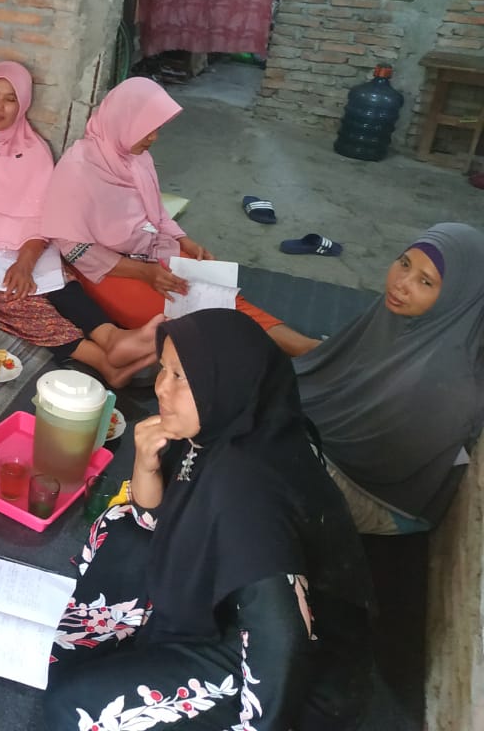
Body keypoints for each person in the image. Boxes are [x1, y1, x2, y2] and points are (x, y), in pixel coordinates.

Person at [43, 310, 372, 731]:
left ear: (225, 381)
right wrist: (145, 464)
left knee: (75, 709)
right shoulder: (222, 427)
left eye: (181, 377)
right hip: (229, 604)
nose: (161, 387)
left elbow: (282, 637)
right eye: (163, 369)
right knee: (121, 528)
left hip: (271, 660)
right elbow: (149, 517)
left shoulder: (248, 494)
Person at [0, 61, 161, 386]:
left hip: (27, 245)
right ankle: (103, 362)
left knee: (59, 278)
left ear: (23, 105)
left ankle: (111, 337)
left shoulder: (34, 151)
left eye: (10, 99)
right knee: (14, 297)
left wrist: (25, 261)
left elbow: (41, 218)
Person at [42, 76, 318, 355]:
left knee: (220, 295)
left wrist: (184, 240)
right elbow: (73, 249)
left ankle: (306, 349)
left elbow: (155, 210)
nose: (154, 137)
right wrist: (144, 272)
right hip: (105, 270)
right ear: (121, 121)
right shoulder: (78, 169)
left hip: (150, 250)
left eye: (157, 128)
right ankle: (298, 351)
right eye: (147, 129)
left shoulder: (135, 158)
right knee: (191, 318)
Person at [295, 222, 484, 534]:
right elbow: (338, 364)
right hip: (347, 457)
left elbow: (377, 467)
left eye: (425, 281)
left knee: (252, 453)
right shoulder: (404, 316)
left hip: (383, 499)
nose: (401, 283)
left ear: (456, 298)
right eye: (405, 263)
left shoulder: (448, 384)